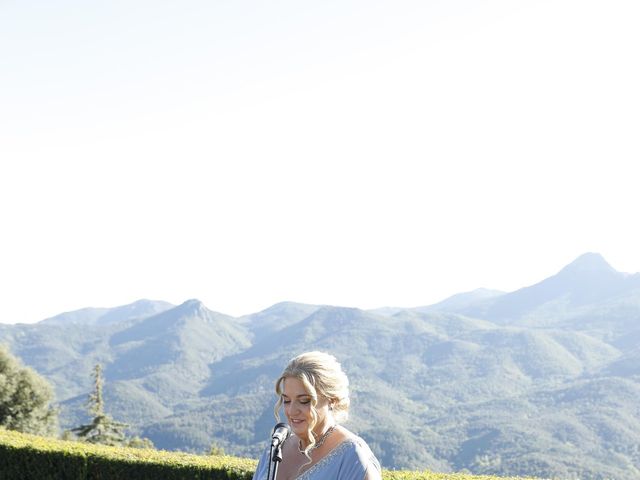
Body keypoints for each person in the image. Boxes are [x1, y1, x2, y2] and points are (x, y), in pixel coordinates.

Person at [252, 351, 381, 480]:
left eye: (304, 401)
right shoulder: (275, 449)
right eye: (287, 400)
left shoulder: (353, 457)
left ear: (332, 400)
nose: (291, 411)